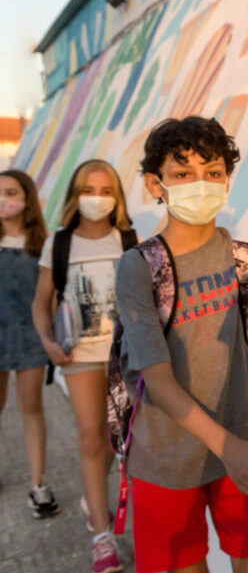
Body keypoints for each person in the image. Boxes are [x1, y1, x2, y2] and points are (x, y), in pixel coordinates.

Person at [115, 116, 248, 573]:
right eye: (182, 173)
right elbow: (158, 378)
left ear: (227, 181)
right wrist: (226, 446)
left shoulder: (245, 260)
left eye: (213, 173)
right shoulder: (139, 267)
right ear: (156, 184)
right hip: (165, 459)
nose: (200, 184)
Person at [32, 159, 137, 573]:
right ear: (75, 196)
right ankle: (101, 531)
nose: (97, 198)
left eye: (106, 190)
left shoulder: (129, 241)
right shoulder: (58, 244)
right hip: (78, 357)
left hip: (125, 357)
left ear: (118, 197)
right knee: (93, 437)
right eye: (88, 190)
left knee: (118, 441)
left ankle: (91, 497)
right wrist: (47, 343)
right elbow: (42, 305)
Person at [0, 170, 56, 518]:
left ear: (26, 197)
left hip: (32, 339)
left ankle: (38, 484)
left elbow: (49, 298)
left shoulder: (45, 243)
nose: (4, 199)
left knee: (30, 407)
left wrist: (51, 336)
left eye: (10, 192)